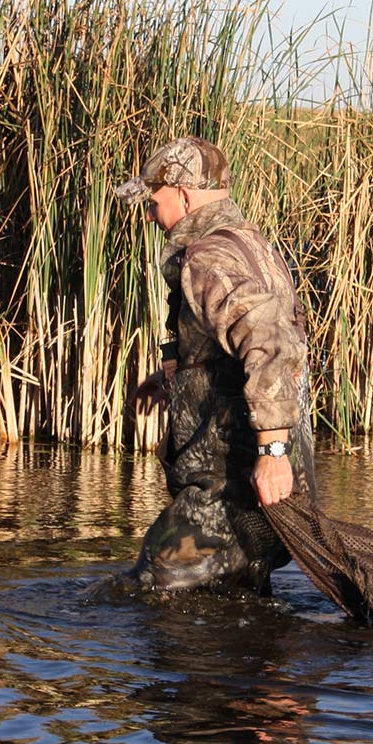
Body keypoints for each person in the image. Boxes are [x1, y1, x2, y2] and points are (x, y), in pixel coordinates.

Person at [113, 136, 316, 594]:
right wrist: (177, 375)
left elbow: (270, 343)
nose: (148, 214)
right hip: (257, 489)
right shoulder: (250, 245)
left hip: (232, 488)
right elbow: (236, 345)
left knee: (148, 590)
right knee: (236, 604)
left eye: (153, 201)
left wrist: (272, 454)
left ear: (184, 195)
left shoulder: (208, 257)